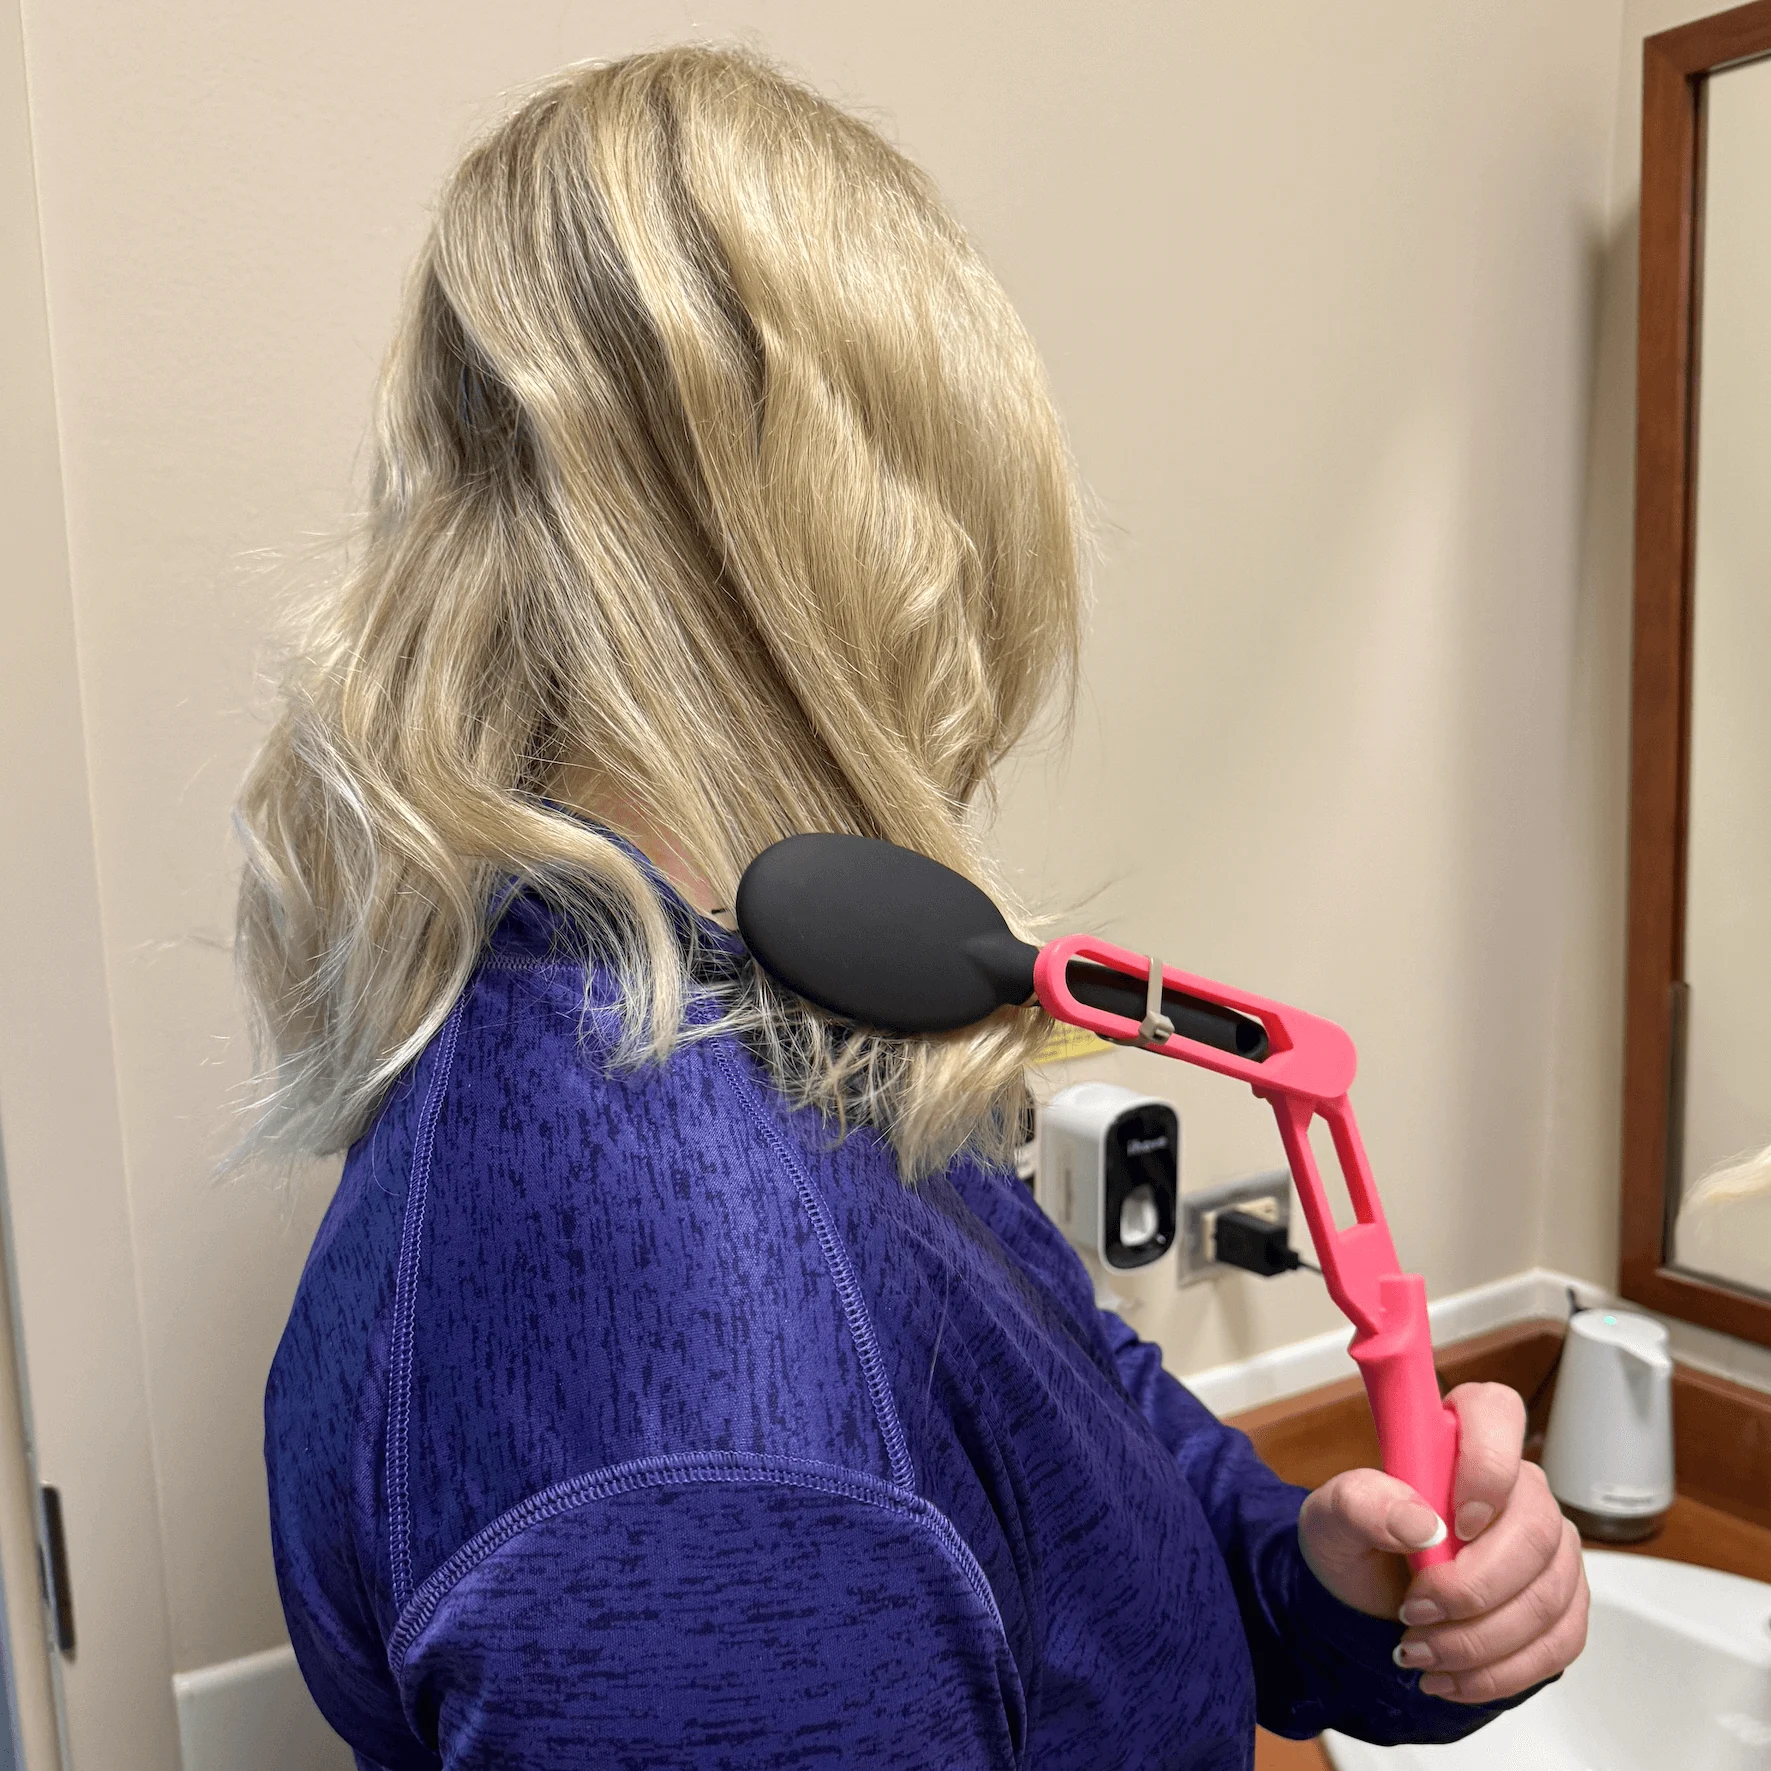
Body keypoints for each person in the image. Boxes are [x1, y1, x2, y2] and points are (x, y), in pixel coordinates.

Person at [240, 47, 1588, 1771]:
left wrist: (1329, 1583)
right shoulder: (697, 1399)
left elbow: (1099, 1451)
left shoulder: (747, 1007)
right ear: (875, 534)